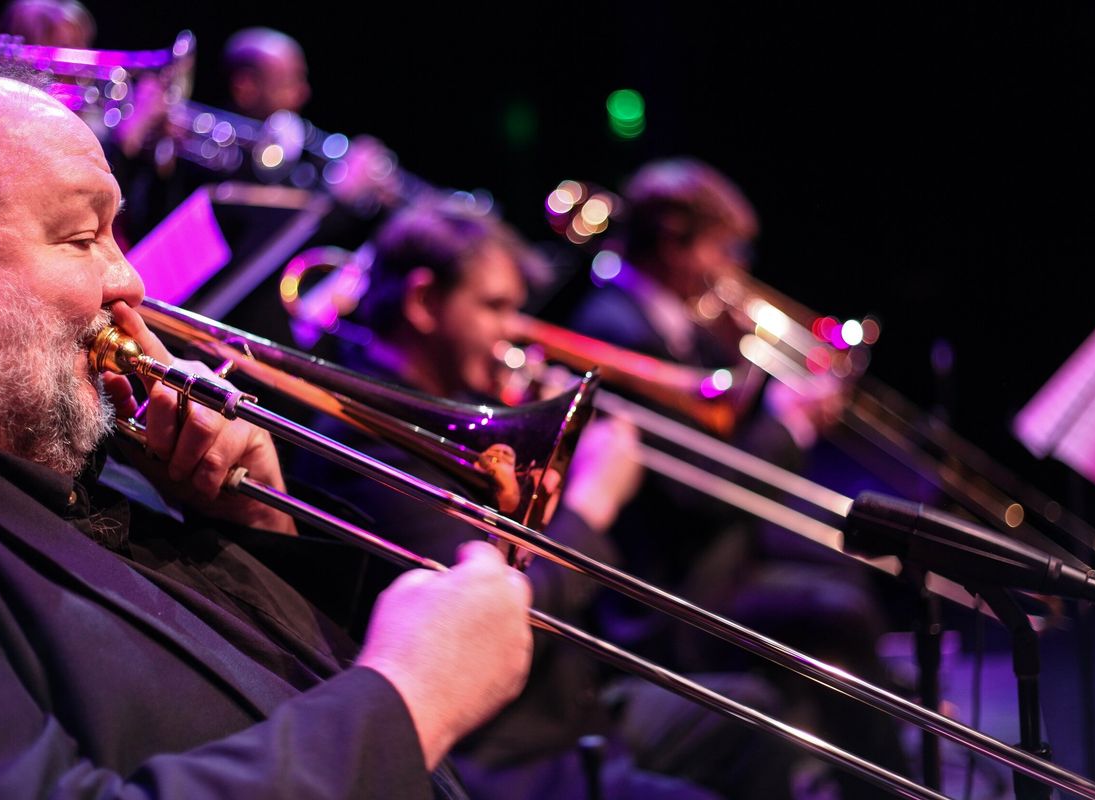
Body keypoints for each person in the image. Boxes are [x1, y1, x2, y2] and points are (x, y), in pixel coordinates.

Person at [0, 55, 534, 799]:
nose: (131, 282)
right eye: (80, 237)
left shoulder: (115, 471)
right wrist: (407, 701)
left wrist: (253, 520)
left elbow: (296, 686)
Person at [290, 199, 802, 800]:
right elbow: (499, 612)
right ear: (424, 302)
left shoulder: (463, 405)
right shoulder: (366, 438)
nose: (518, 332)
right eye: (495, 308)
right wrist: (590, 502)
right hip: (506, 760)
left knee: (761, 722)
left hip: (573, 712)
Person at [563, 157, 912, 799]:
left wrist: (744, 367)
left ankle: (863, 761)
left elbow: (724, 440)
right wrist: (788, 424)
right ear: (673, 239)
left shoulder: (679, 322)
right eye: (723, 247)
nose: (734, 269)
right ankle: (888, 785)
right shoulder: (612, 329)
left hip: (723, 554)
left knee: (843, 566)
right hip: (673, 586)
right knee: (842, 610)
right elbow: (688, 492)